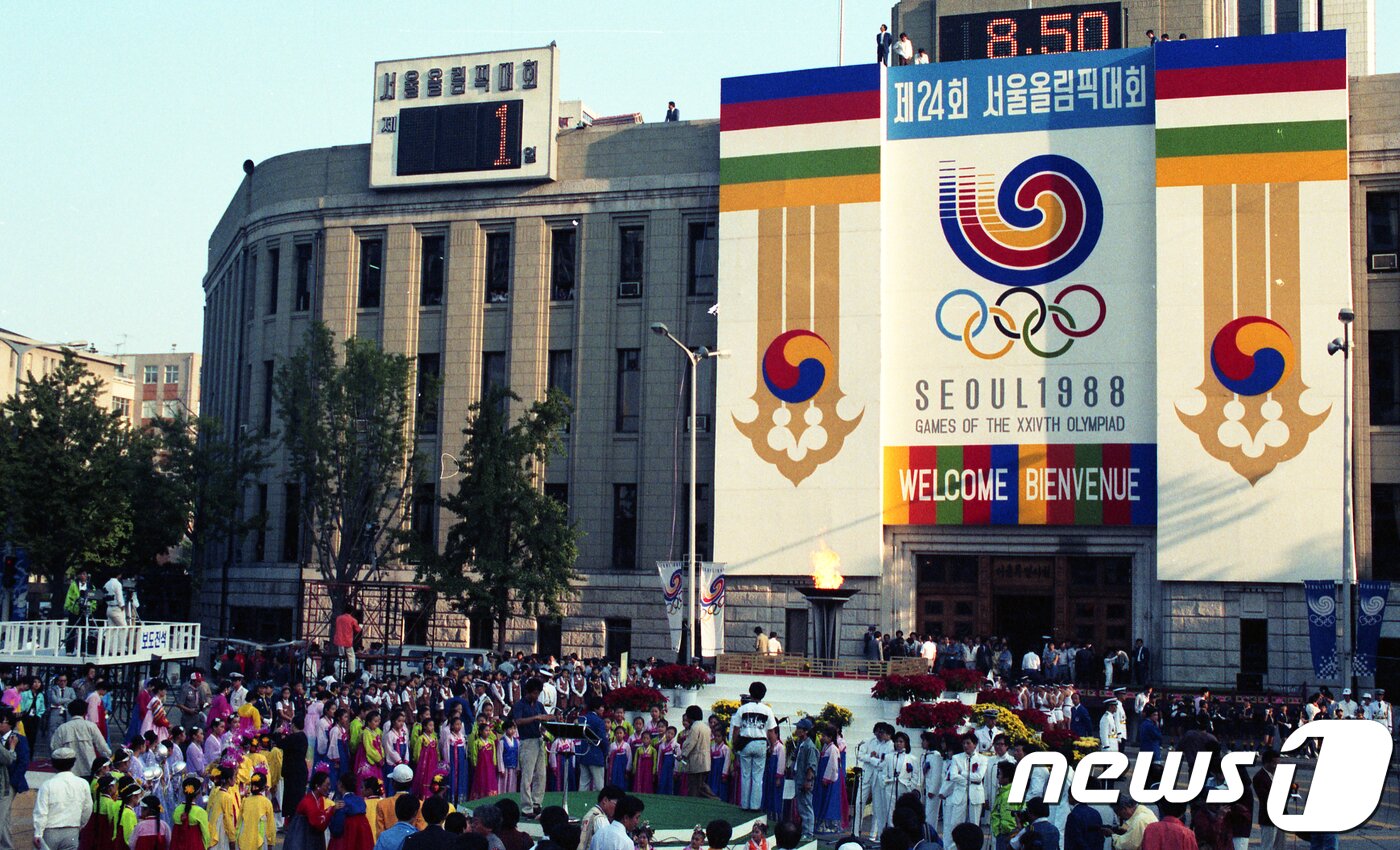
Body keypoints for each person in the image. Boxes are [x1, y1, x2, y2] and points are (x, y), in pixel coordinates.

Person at [508, 677, 552, 817]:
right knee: (527, 776)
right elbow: (518, 721)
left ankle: (536, 803)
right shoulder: (519, 705)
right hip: (527, 742)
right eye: (534, 693)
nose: (536, 695)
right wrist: (536, 718)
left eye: (538, 693)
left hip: (539, 740)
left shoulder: (538, 704)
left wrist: (549, 719)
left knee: (541, 774)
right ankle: (527, 807)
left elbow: (544, 718)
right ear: (528, 692)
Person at [31, 746, 91, 850]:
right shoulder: (83, 783)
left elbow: (41, 811)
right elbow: (88, 808)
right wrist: (81, 824)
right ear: (73, 763)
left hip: (50, 832)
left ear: (53, 764)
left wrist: (38, 833)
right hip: (72, 830)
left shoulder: (47, 785)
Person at [732, 682, 777, 812]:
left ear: (750, 693)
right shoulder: (767, 710)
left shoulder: (743, 709)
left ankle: (745, 804)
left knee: (745, 775)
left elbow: (736, 729)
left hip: (745, 742)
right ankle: (755, 805)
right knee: (758, 776)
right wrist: (772, 746)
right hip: (760, 743)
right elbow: (771, 732)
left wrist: (735, 744)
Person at [50, 698, 109, 778]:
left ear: (70, 712)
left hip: (69, 770)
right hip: (89, 768)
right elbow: (103, 747)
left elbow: (54, 748)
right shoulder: (91, 726)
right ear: (85, 712)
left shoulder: (62, 728)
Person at [941, 734, 986, 831]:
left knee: (974, 825)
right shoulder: (956, 758)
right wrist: (968, 781)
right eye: (964, 743)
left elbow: (979, 777)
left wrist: (962, 772)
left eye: (968, 743)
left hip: (975, 795)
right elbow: (953, 776)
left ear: (975, 744)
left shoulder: (983, 759)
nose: (965, 746)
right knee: (956, 825)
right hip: (960, 794)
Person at [678, 705, 713, 798]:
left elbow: (690, 743)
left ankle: (714, 799)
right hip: (705, 760)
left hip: (696, 760)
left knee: (695, 785)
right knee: (700, 784)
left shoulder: (694, 727)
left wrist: (682, 755)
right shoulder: (706, 727)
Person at [791, 718, 818, 837]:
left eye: (799, 729)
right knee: (802, 806)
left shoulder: (809, 746)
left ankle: (808, 832)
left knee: (806, 806)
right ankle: (805, 830)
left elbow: (811, 766)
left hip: (804, 780)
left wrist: (808, 781)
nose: (796, 731)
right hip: (799, 778)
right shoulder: (801, 744)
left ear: (805, 731)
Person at [170, 776, 213, 850]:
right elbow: (206, 834)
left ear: (184, 792)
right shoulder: (200, 812)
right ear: (199, 793)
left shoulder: (177, 810)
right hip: (195, 846)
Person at [989, 763, 1021, 850]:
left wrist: (1000, 832)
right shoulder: (1005, 792)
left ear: (1007, 777)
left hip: (1007, 835)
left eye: (1000, 774)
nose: (998, 776)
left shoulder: (1008, 794)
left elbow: (1008, 818)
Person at [579, 786, 622, 850]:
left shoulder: (592, 813)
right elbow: (607, 845)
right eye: (617, 805)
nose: (618, 809)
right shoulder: (600, 819)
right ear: (605, 800)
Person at [334, 609, 362, 676]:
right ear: (351, 612)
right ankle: (351, 671)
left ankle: (339, 672)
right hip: (347, 641)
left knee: (341, 656)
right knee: (351, 657)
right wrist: (361, 626)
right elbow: (357, 629)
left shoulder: (338, 618)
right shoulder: (352, 619)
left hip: (339, 640)